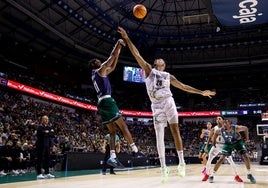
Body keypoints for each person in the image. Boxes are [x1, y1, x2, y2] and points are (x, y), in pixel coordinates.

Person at [118, 26, 216, 183]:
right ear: (156, 63)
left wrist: (200, 92)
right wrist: (128, 38)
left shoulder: (168, 75)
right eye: (158, 59)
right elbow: (136, 54)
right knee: (159, 136)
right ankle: (164, 168)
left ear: (164, 64)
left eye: (162, 60)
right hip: (156, 106)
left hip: (168, 102)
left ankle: (181, 162)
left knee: (175, 129)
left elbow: (183, 86)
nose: (160, 59)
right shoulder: (149, 70)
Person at [89, 39, 141, 169]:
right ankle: (135, 151)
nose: (99, 61)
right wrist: (118, 44)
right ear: (95, 64)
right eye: (97, 61)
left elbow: (112, 66)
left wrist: (118, 54)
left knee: (112, 132)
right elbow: (111, 58)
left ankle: (112, 157)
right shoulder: (100, 70)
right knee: (124, 127)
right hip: (107, 101)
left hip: (100, 104)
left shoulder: (96, 74)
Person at [208, 117, 256, 184]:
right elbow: (215, 133)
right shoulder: (221, 130)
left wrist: (247, 139)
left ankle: (249, 174)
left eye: (226, 123)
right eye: (224, 123)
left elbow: (245, 128)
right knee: (221, 159)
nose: (224, 124)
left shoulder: (236, 128)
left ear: (230, 124)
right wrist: (213, 143)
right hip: (228, 144)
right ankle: (212, 175)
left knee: (245, 156)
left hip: (237, 142)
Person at [202, 116, 243, 182]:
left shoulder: (227, 128)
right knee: (209, 159)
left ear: (223, 120)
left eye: (219, 119)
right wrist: (206, 146)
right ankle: (207, 174)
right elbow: (209, 138)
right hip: (216, 145)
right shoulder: (214, 128)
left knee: (231, 161)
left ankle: (236, 176)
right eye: (217, 119)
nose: (218, 120)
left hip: (225, 145)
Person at [36, 115, 55, 179]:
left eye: (47, 119)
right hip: (40, 145)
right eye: (45, 119)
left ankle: (47, 173)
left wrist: (46, 133)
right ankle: (39, 174)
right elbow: (40, 134)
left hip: (47, 146)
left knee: (47, 159)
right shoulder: (39, 127)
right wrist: (47, 133)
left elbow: (52, 135)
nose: (46, 120)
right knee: (40, 159)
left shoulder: (49, 127)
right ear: (42, 120)